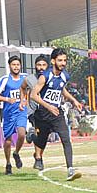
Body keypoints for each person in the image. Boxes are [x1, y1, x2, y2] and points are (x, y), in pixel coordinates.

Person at [28, 48, 83, 181]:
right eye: (60, 60)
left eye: (64, 60)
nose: (63, 63)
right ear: (53, 61)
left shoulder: (65, 76)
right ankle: (32, 137)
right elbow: (33, 95)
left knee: (66, 138)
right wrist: (48, 106)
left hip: (57, 113)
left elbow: (61, 89)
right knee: (41, 142)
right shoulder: (45, 76)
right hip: (43, 114)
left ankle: (70, 169)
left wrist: (74, 100)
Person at [0, 55, 28, 175]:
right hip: (8, 113)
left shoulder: (26, 77)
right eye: (13, 65)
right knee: (7, 140)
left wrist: (25, 99)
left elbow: (35, 88)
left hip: (21, 111)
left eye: (18, 64)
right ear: (9, 66)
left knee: (22, 134)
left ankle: (16, 153)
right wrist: (8, 99)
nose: (16, 67)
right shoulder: (4, 80)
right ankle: (8, 163)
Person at [21, 54, 49, 167]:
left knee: (44, 136)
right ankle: (38, 159)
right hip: (34, 111)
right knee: (39, 131)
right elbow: (22, 87)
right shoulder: (29, 79)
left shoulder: (51, 77)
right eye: (38, 65)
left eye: (43, 65)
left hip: (48, 110)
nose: (41, 67)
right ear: (35, 66)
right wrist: (23, 100)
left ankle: (33, 139)